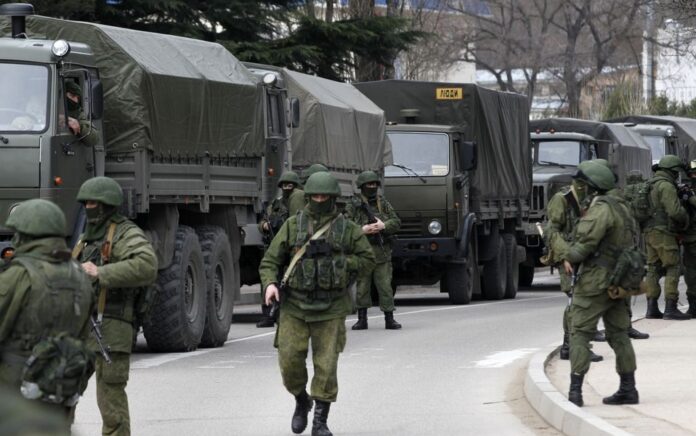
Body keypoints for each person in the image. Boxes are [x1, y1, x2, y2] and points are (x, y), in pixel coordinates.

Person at [259, 172, 375, 436]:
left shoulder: (346, 228)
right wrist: (270, 285)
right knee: (289, 364)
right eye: (315, 196)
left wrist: (344, 266)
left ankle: (320, 422)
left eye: (325, 196)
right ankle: (302, 400)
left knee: (326, 365)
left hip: (331, 307)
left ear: (333, 198)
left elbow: (368, 259)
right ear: (308, 197)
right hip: (294, 307)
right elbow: (270, 261)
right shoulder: (292, 225)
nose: (320, 200)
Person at [73, 177, 158, 436]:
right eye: (85, 203)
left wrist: (100, 272)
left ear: (107, 205)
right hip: (80, 327)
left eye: (93, 203)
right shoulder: (87, 236)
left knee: (111, 404)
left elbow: (146, 265)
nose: (88, 208)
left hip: (111, 327)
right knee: (61, 391)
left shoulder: (124, 232)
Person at [0, 199, 95, 430]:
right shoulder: (80, 277)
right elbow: (83, 336)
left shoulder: (19, 276)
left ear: (26, 235)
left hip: (15, 394)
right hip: (59, 389)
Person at [561, 162, 640, 407]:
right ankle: (628, 388)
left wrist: (566, 253)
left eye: (585, 184)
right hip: (619, 281)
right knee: (619, 335)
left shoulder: (601, 209)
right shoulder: (623, 207)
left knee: (580, 334)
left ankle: (575, 392)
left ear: (594, 186)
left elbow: (583, 246)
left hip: (595, 281)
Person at [544, 161, 604, 362]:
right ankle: (572, 346)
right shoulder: (562, 200)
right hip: (568, 257)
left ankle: (573, 345)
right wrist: (565, 256)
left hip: (584, 256)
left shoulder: (591, 199)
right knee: (576, 302)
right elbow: (553, 231)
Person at [344, 170, 402, 330]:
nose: (372, 187)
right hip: (362, 253)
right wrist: (362, 229)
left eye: (374, 184)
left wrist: (383, 226)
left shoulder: (382, 203)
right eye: (369, 185)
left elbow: (396, 221)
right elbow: (345, 226)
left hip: (381, 253)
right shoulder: (353, 204)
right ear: (362, 186)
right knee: (362, 287)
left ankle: (389, 318)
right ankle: (362, 319)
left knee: (385, 286)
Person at [642, 155, 690, 320]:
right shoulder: (666, 186)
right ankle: (671, 307)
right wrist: (686, 218)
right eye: (676, 172)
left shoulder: (649, 184)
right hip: (664, 232)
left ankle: (651, 307)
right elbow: (675, 211)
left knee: (653, 268)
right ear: (672, 171)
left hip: (649, 232)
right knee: (673, 266)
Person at [256, 171, 305, 328]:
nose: (287, 188)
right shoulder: (275, 204)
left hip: (292, 246)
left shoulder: (300, 201)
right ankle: (268, 314)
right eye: (284, 185)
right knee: (270, 278)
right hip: (276, 244)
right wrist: (265, 225)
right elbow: (262, 222)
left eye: (290, 185)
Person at [681, 160, 696, 316]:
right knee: (690, 273)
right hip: (691, 236)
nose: (693, 176)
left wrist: (691, 198)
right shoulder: (689, 189)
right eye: (692, 174)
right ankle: (693, 304)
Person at [64, 80, 99, 147]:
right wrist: (64, 119)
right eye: (72, 95)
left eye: (77, 97)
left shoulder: (77, 112)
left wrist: (79, 125)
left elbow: (93, 138)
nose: (75, 100)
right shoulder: (45, 107)